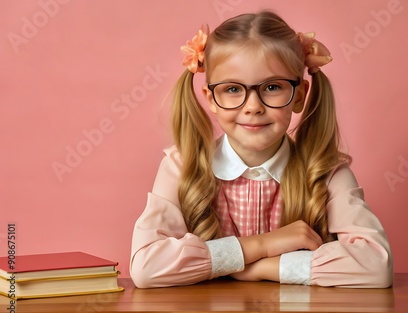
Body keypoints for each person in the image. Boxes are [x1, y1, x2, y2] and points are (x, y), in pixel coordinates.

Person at [130, 11, 393, 288]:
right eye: (232, 89)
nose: (253, 106)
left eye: (271, 87)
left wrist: (261, 268)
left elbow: (376, 266)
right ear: (211, 99)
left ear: (299, 96)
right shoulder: (182, 166)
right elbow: (147, 268)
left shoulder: (326, 171)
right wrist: (261, 245)